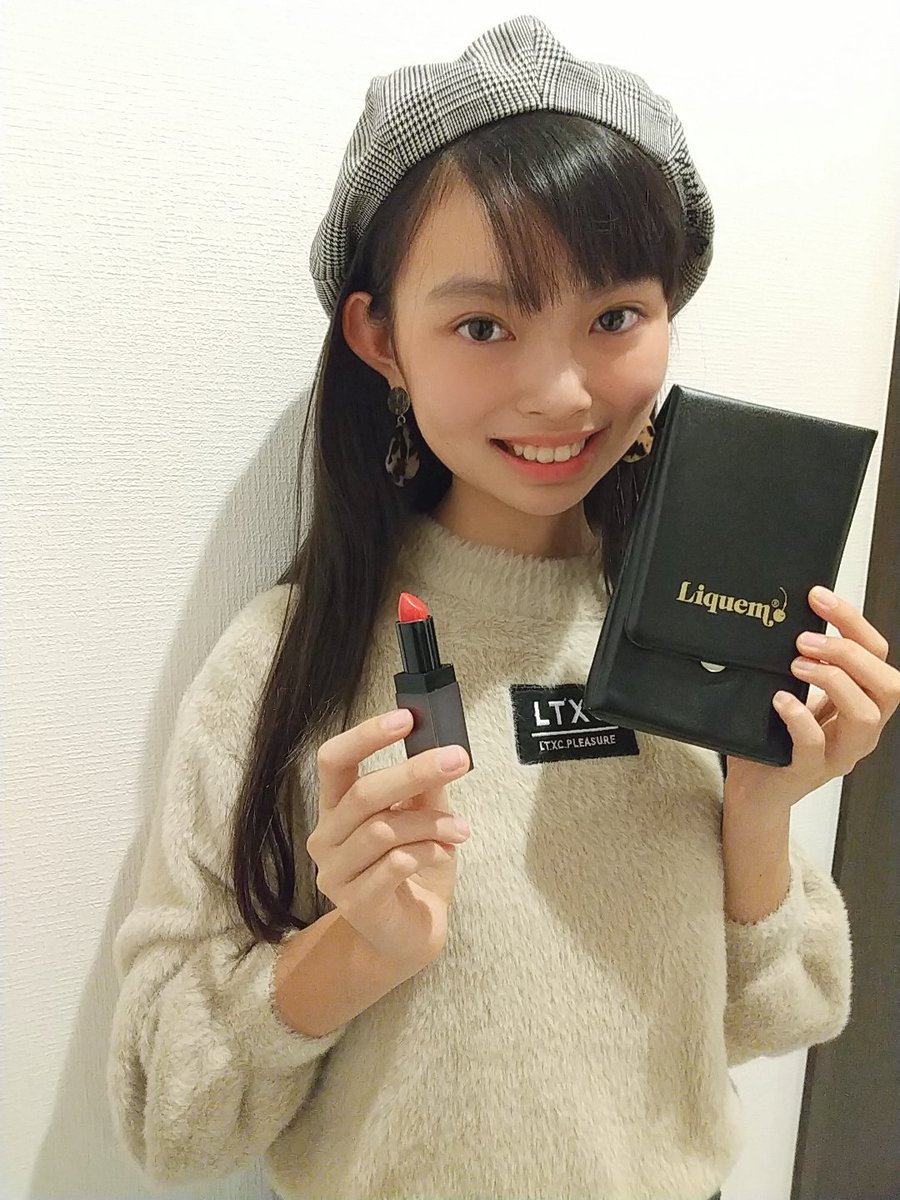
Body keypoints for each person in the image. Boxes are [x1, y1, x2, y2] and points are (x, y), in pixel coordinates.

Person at [106, 16, 870, 1200]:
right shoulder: (282, 669)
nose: (560, 391)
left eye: (613, 318)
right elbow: (170, 1122)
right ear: (380, 338)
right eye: (482, 325)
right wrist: (355, 947)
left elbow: (789, 1011)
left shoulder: (709, 635)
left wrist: (760, 809)